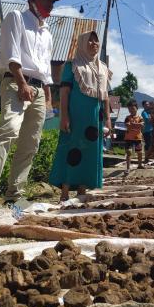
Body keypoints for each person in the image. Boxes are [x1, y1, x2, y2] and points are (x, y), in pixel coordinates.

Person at [0, 0, 63, 207]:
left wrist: (49, 98)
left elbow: (45, 69)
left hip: (40, 89)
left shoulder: (47, 33)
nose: (50, 5)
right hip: (16, 81)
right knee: (9, 129)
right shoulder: (16, 18)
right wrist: (22, 83)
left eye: (53, 1)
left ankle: (15, 193)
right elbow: (11, 54)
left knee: (31, 142)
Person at [49, 31, 112, 202]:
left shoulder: (103, 67)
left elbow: (105, 96)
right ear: (82, 43)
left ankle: (82, 189)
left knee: (90, 151)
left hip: (95, 118)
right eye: (89, 41)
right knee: (72, 149)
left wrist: (107, 119)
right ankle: (65, 191)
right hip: (76, 115)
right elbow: (64, 91)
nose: (93, 43)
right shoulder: (73, 64)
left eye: (96, 41)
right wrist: (64, 116)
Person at [124, 99, 145, 173]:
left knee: (139, 152)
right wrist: (137, 125)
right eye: (129, 109)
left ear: (136, 108)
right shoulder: (127, 117)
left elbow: (142, 126)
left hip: (137, 137)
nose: (131, 110)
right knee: (129, 152)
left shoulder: (140, 117)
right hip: (128, 138)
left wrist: (133, 125)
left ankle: (140, 164)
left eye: (132, 108)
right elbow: (128, 126)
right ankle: (128, 168)